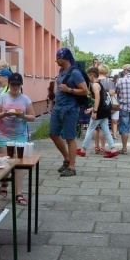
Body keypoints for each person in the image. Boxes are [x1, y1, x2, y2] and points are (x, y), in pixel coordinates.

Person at [0, 72, 35, 204]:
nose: (15, 87)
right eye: (13, 84)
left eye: (17, 84)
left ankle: (18, 194)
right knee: (6, 162)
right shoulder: (2, 98)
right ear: (9, 84)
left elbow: (32, 117)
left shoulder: (25, 99)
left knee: (18, 164)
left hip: (20, 136)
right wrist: (4, 114)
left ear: (21, 85)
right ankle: (4, 182)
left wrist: (22, 116)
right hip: (5, 135)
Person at [50, 47, 86, 177]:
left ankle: (72, 167)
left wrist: (69, 90)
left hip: (70, 109)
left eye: (57, 58)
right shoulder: (61, 71)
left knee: (70, 137)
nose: (56, 60)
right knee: (53, 134)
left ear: (64, 58)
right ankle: (67, 158)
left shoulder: (75, 72)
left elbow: (85, 90)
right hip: (58, 108)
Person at [77, 66, 118, 158]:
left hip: (99, 112)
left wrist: (94, 111)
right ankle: (113, 148)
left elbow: (98, 99)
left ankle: (83, 149)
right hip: (104, 111)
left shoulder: (95, 85)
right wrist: (92, 109)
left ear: (91, 75)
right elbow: (102, 100)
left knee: (90, 129)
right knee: (106, 131)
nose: (88, 78)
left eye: (88, 76)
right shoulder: (99, 84)